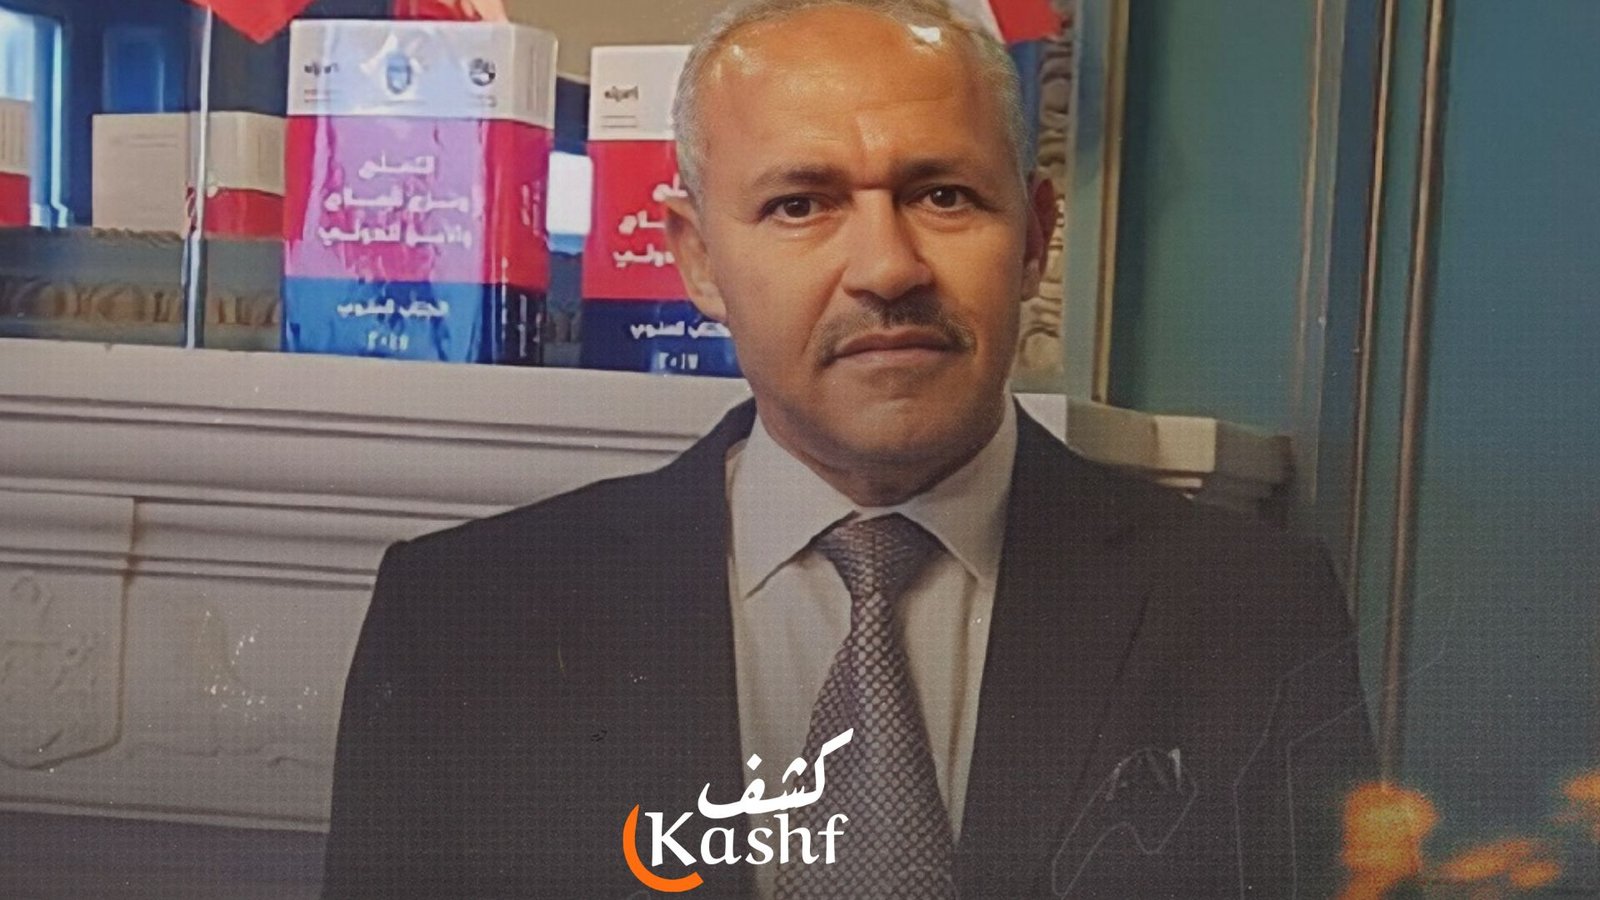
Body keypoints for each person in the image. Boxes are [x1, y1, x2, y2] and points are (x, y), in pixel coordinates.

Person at [322, 1, 1377, 897]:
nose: (886, 267)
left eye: (943, 195)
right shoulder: (461, 619)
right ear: (697, 259)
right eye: (800, 204)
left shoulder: (1251, 611)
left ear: (1034, 236)